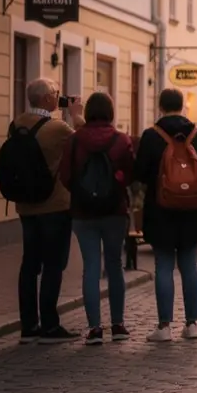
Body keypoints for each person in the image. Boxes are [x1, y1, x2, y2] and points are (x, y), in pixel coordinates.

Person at [135, 88, 197, 342]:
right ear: (182, 106)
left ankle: (164, 327)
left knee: (164, 265)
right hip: (192, 211)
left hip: (160, 211)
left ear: (160, 106)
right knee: (189, 265)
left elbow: (139, 173)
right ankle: (192, 324)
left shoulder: (151, 135)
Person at [11, 78, 84, 343]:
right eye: (55, 93)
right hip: (54, 205)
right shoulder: (58, 127)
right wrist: (76, 114)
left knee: (30, 264)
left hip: (26, 205)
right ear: (46, 99)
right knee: (53, 264)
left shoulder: (17, 123)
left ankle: (29, 326)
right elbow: (84, 140)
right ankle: (50, 326)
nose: (58, 96)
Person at [59, 92, 135, 346]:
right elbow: (131, 173)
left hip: (83, 212)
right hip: (114, 211)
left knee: (90, 267)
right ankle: (118, 325)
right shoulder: (120, 140)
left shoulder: (74, 139)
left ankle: (94, 328)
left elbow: (65, 175)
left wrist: (82, 192)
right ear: (110, 112)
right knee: (114, 265)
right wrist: (117, 185)